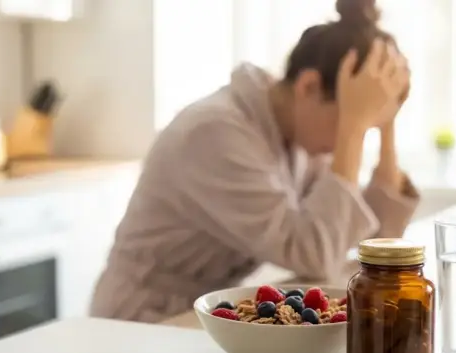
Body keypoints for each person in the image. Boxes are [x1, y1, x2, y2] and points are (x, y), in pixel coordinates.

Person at [91, 0, 418, 323]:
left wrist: (386, 123)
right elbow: (314, 253)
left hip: (205, 312)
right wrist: (353, 129)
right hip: (142, 319)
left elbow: (375, 246)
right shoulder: (215, 133)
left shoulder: (300, 138)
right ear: (309, 86)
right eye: (349, 121)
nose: (348, 143)